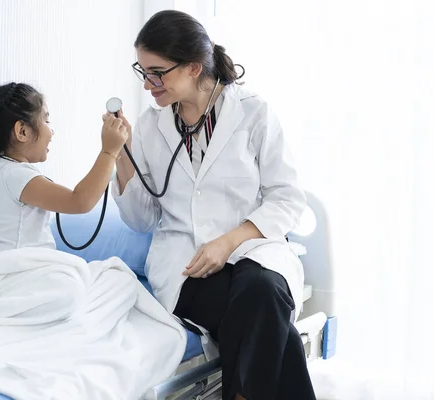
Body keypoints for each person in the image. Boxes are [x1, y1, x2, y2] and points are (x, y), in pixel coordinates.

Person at [112, 10, 317, 400]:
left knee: (260, 289)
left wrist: (228, 242)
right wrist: (121, 155)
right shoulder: (151, 127)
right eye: (143, 72)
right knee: (268, 318)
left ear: (192, 67)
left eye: (157, 72)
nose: (148, 84)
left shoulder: (253, 112)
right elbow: (141, 219)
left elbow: (287, 196)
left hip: (254, 249)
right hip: (187, 266)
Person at [0, 82, 127, 258]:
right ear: (22, 131)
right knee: (114, 276)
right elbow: (80, 201)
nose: (52, 131)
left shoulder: (1, 171)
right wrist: (109, 152)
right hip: (17, 273)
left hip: (6, 269)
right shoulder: (15, 175)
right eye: (46, 120)